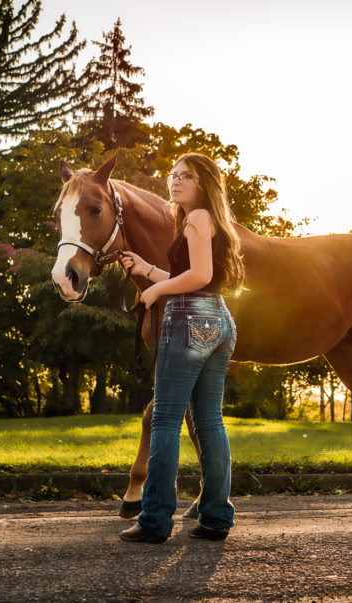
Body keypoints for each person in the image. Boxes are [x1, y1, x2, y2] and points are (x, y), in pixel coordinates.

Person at [118, 153, 245, 544]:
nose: (174, 182)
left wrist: (156, 290)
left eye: (185, 176)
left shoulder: (197, 217)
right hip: (218, 319)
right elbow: (194, 278)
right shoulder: (208, 221)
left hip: (189, 318)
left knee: (167, 419)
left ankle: (155, 519)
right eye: (173, 175)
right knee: (209, 421)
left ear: (203, 184)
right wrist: (146, 269)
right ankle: (216, 518)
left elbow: (200, 276)